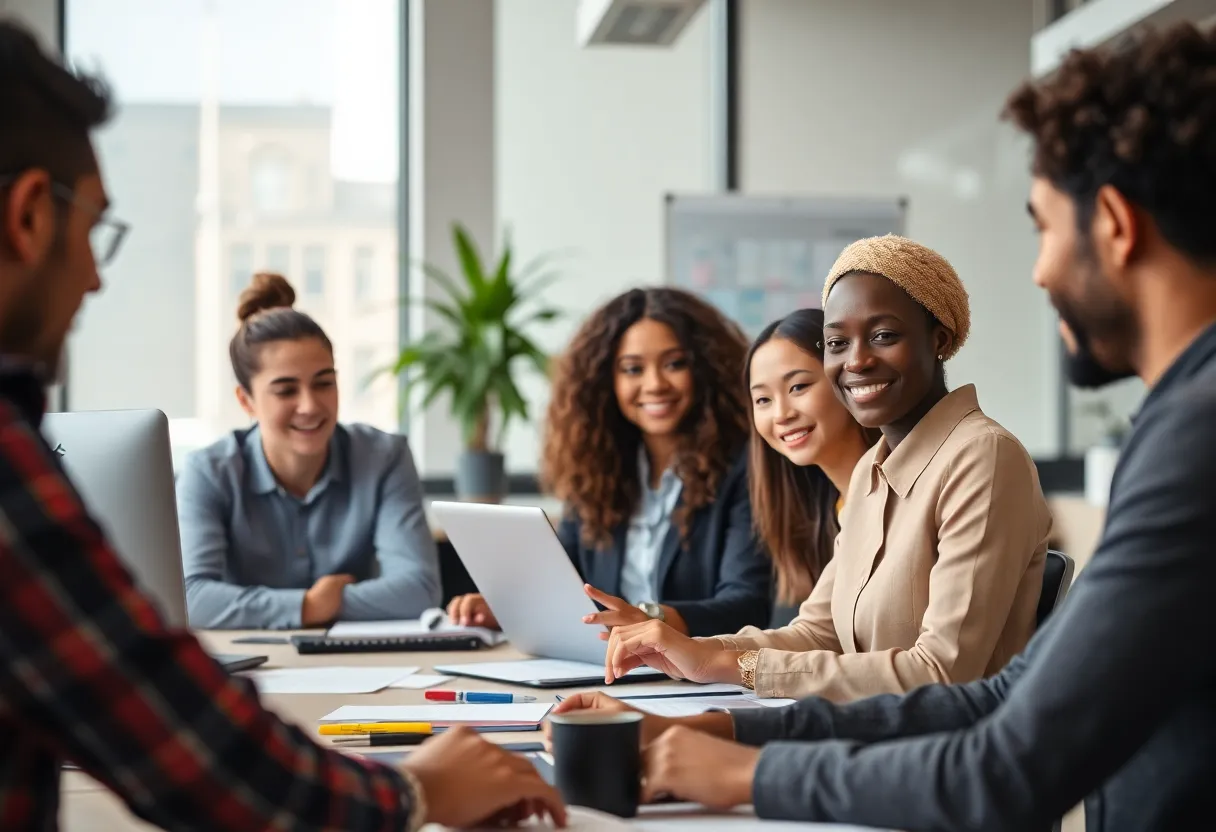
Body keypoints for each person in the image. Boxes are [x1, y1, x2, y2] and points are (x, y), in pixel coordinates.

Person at [553, 21, 1216, 831]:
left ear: (1111, 221)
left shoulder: (1190, 441)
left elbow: (1005, 756)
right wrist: (727, 714)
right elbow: (994, 692)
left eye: (1043, 226)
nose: (1039, 270)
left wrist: (746, 772)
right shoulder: (1176, 422)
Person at [0, 19, 564, 830]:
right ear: (27, 217)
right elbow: (196, 748)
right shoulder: (14, 471)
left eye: (325, 382)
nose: (93, 276)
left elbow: (408, 586)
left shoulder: (378, 454)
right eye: (93, 231)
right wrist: (415, 790)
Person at [600, 237, 1051, 703]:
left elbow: (943, 671)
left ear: (938, 340)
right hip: (865, 737)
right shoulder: (871, 472)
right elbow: (817, 632)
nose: (856, 360)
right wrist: (694, 651)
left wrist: (730, 664)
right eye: (837, 342)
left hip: (942, 756)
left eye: (883, 336)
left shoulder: (984, 457)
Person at [448, 287, 771, 637]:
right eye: (633, 369)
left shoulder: (746, 468)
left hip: (695, 674)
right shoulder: (597, 469)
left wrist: (647, 619)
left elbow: (746, 604)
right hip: (605, 666)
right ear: (606, 381)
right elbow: (563, 587)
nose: (655, 384)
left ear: (706, 369)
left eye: (675, 364)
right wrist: (507, 607)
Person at [176, 272, 441, 629]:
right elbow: (191, 599)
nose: (310, 405)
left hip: (361, 666)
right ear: (246, 400)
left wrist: (318, 604)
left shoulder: (385, 457)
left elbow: (420, 590)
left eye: (324, 383)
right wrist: (309, 606)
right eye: (286, 391)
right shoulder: (208, 471)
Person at [745, 309, 880, 606]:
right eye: (763, 400)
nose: (781, 414)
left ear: (848, 380)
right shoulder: (825, 510)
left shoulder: (900, 498)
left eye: (798, 387)